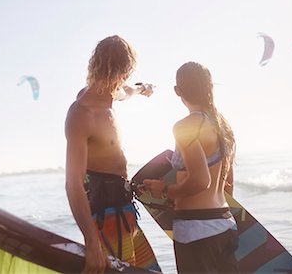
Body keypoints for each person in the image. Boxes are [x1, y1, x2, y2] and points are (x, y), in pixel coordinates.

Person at [65, 35, 160, 274]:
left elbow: (126, 92)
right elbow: (73, 184)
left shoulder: (111, 93)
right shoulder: (82, 114)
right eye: (125, 74)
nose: (125, 80)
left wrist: (142, 89)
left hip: (125, 210)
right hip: (106, 219)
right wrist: (92, 242)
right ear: (118, 72)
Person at [143, 61, 239, 274]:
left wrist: (165, 190)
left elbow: (200, 180)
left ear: (177, 91)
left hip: (196, 230)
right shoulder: (224, 126)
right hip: (225, 224)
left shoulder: (185, 126)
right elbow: (227, 184)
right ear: (209, 87)